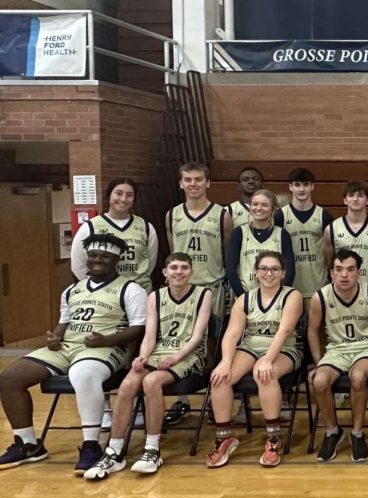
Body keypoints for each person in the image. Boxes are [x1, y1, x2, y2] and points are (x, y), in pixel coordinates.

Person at [0, 234, 147, 473]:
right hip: (68, 347)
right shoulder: (71, 290)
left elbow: (138, 328)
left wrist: (107, 339)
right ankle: (27, 444)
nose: (98, 260)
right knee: (9, 378)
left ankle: (91, 445)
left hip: (107, 348)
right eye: (93, 256)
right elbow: (64, 322)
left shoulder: (131, 289)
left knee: (83, 373)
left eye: (105, 256)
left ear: (116, 260)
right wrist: (54, 337)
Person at [84, 252, 214, 479]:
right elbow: (150, 335)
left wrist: (176, 357)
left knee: (152, 381)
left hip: (190, 355)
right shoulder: (155, 296)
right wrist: (142, 357)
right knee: (128, 383)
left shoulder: (204, 294)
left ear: (192, 271)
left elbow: (197, 336)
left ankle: (152, 448)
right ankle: (114, 451)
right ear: (165, 272)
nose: (179, 272)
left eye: (184, 267)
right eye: (174, 267)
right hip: (159, 352)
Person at [206, 250, 303, 468]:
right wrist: (225, 362)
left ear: (283, 273)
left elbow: (285, 330)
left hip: (285, 349)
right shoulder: (245, 299)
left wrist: (268, 359)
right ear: (256, 273)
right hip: (250, 346)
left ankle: (273, 439)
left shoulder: (292, 295)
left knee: (264, 374)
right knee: (220, 377)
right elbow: (232, 334)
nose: (269, 273)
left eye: (275, 269)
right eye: (264, 269)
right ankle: (224, 438)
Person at [307, 250, 368, 463]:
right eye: (339, 270)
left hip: (367, 348)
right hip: (337, 350)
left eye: (350, 269)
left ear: (359, 272)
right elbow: (312, 331)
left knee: (358, 376)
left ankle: (357, 433)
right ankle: (333, 431)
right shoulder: (320, 297)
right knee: (320, 380)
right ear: (331, 273)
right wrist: (318, 362)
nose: (344, 275)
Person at [71, 177, 158, 293]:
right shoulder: (90, 227)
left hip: (140, 293)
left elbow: (149, 263)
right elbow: (78, 264)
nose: (123, 199)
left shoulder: (146, 227)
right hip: (105, 295)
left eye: (129, 195)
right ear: (109, 196)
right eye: (119, 193)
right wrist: (96, 286)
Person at [166, 162, 226, 317]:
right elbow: (174, 254)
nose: (193, 184)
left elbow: (227, 253)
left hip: (212, 285)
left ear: (208, 183)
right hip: (181, 285)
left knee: (211, 336)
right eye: (188, 180)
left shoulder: (222, 215)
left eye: (199, 179)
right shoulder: (172, 215)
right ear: (181, 184)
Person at [276, 167, 333, 301]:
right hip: (289, 286)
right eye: (297, 185)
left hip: (318, 285)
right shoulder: (280, 216)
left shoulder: (324, 216)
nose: (301, 189)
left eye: (306, 184)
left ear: (312, 186)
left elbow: (331, 251)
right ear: (290, 187)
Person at [225, 188, 295, 296]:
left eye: (264, 205)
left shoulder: (282, 234)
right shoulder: (239, 233)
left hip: (276, 298)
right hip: (245, 296)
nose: (259, 208)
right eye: (255, 204)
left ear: (273, 209)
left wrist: (279, 296)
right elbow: (231, 271)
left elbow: (289, 272)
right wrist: (244, 298)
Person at [323, 180, 368, 286]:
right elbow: (328, 262)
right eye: (351, 195)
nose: (355, 199)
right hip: (342, 288)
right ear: (345, 200)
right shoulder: (331, 229)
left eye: (360, 196)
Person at [222, 165, 264, 235]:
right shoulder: (229, 211)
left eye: (255, 179)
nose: (251, 181)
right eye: (245, 179)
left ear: (262, 184)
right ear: (239, 185)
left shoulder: (273, 210)